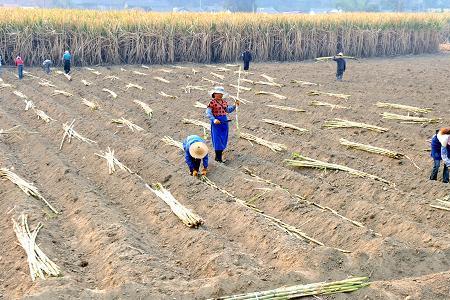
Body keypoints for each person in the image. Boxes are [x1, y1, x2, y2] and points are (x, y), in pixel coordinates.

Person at [206, 87, 239, 163]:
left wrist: (234, 105)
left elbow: (228, 110)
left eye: (221, 93)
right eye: (218, 93)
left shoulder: (224, 102)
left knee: (224, 138)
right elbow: (208, 113)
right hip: (216, 123)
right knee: (217, 139)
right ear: (214, 94)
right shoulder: (212, 102)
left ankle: (219, 157)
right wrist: (214, 119)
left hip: (224, 122)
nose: (220, 95)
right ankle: (218, 158)